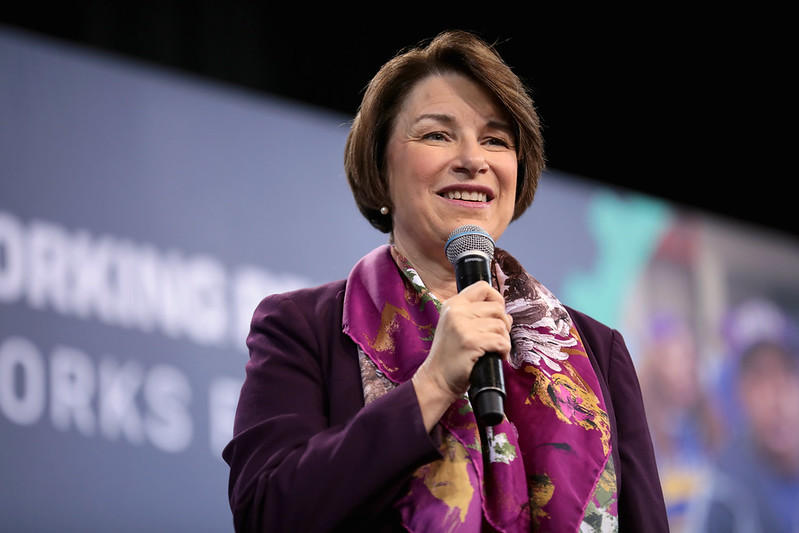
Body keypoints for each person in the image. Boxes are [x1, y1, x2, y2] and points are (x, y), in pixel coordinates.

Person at [222, 30, 668, 532]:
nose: (473, 160)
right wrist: (431, 385)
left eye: (496, 140)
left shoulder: (597, 351)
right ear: (380, 166)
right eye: (437, 134)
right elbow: (266, 512)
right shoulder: (304, 327)